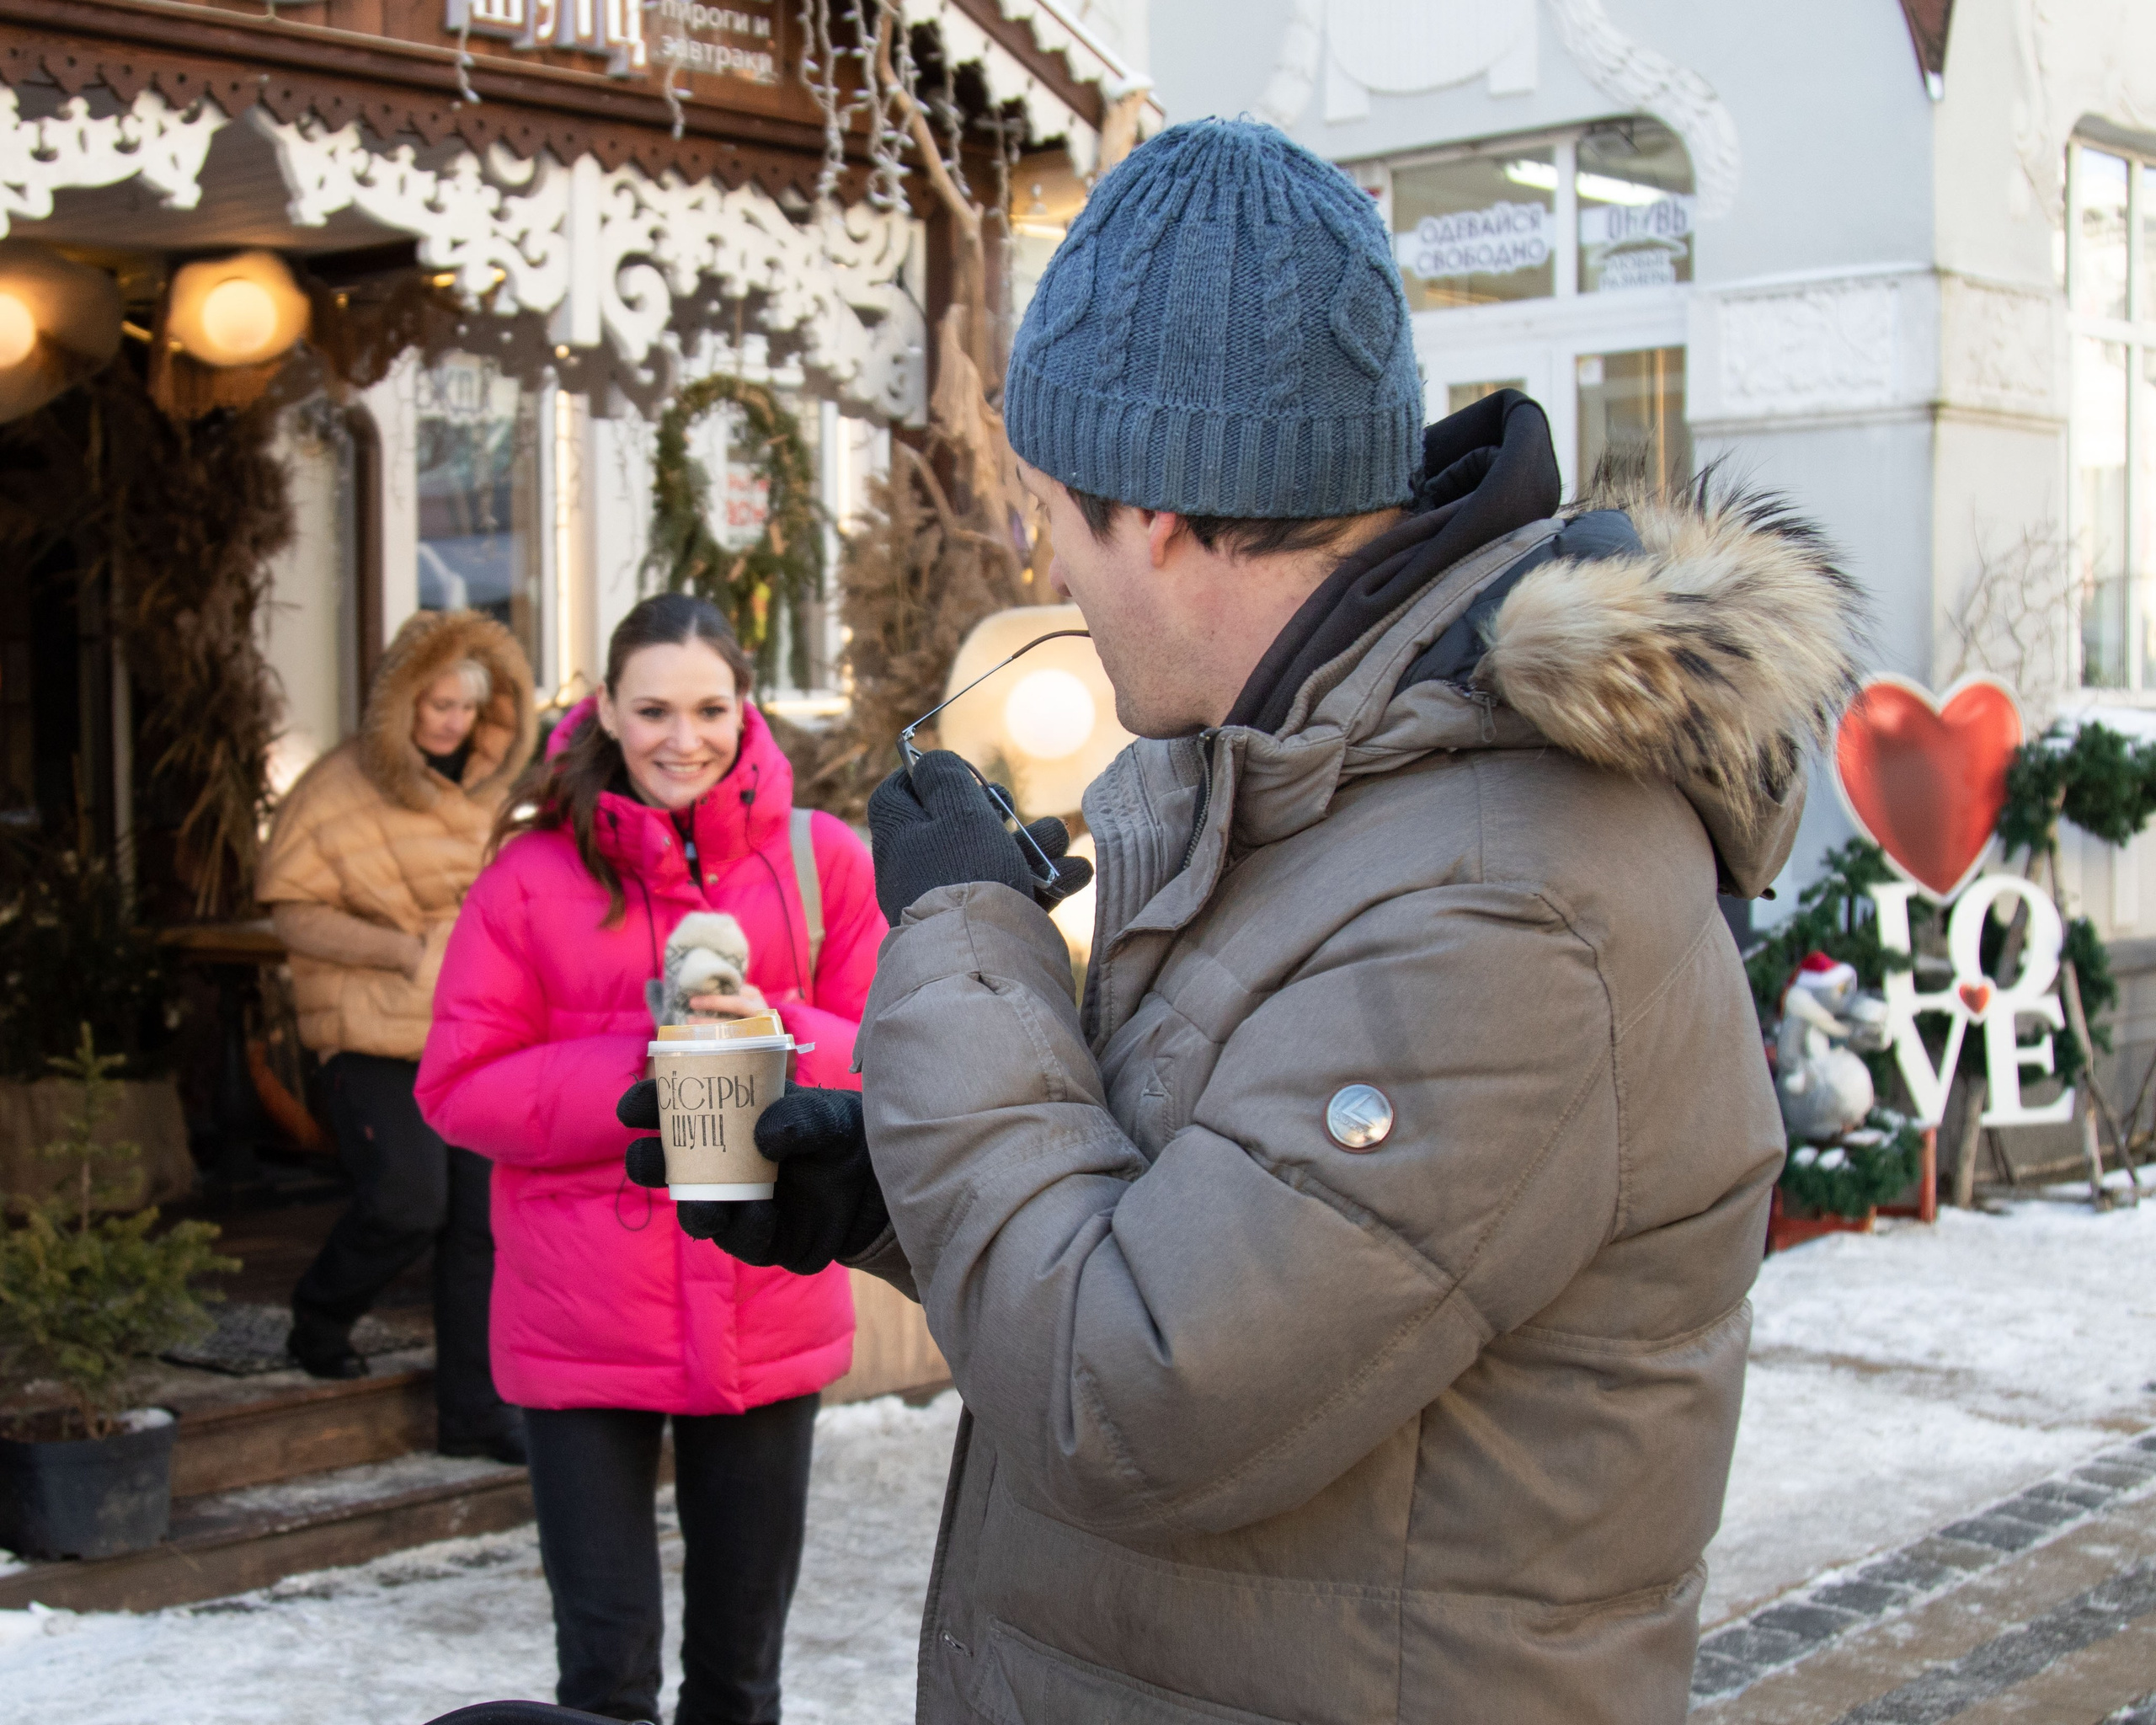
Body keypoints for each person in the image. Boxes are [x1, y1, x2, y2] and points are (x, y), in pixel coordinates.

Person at [659, 120, 1869, 1722]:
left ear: (1155, 515)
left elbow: (1137, 1391)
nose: (1057, 575)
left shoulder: (1507, 896)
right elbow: (1233, 1227)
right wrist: (894, 1187)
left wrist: (965, 932)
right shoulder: (1321, 787)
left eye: (1057, 517)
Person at [415, 593, 884, 1725]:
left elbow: (890, 1061)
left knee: (739, 1681)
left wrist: (758, 1029)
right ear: (608, 716)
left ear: (747, 708)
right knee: (606, 1682)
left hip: (764, 1309)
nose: (687, 737)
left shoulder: (824, 863)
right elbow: (455, 1085)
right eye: (655, 709)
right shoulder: (531, 874)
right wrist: (648, 1065)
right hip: (580, 1322)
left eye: (712, 706)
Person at [259, 607, 536, 1463]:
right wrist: (404, 947)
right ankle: (321, 1315)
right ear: (403, 700)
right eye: (436, 701)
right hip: (372, 1031)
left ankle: (476, 1414)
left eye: (467, 704)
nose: (451, 719)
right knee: (409, 1198)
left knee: (481, 1222)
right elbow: (289, 907)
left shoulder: (492, 792)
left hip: (472, 1030)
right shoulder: (337, 785)